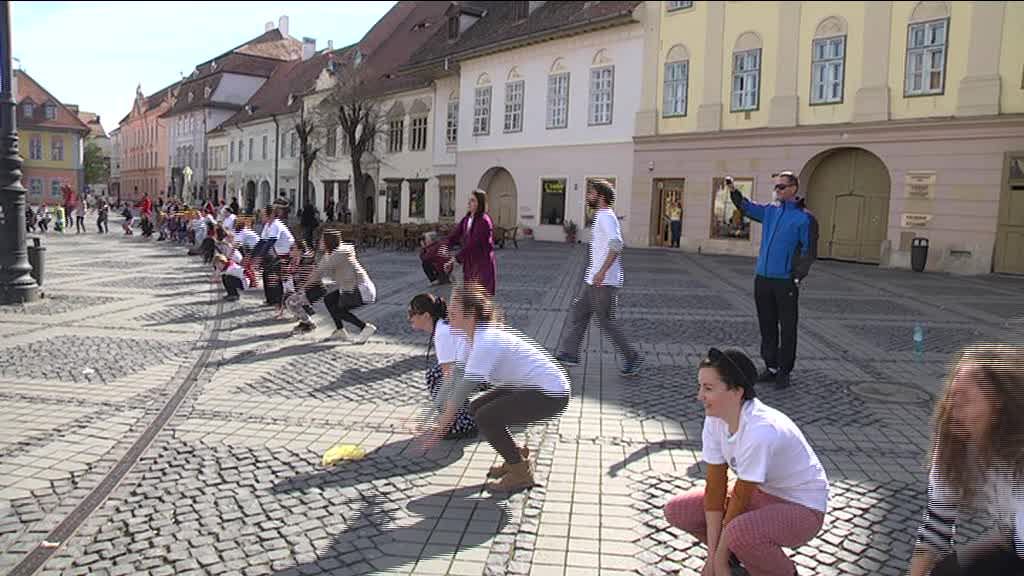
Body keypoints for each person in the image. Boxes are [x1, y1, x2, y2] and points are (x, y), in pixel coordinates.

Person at [664, 347, 828, 576]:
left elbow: (741, 496)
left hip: (802, 507)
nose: (699, 396)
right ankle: (734, 565)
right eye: (700, 386)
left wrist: (717, 560)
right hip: (759, 494)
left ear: (737, 392)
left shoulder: (761, 430)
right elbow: (715, 486)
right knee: (678, 510)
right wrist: (713, 559)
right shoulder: (716, 417)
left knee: (739, 532)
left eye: (708, 388)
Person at [417, 283, 570, 492]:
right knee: (477, 408)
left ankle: (520, 474)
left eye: (453, 313)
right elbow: (452, 379)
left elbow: (461, 390)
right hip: (527, 386)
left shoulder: (485, 341)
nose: (447, 317)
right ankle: (516, 456)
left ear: (470, 315)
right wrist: (428, 418)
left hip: (551, 394)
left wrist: (440, 427)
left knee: (487, 416)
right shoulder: (468, 338)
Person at [909, 344, 1024, 576]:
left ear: (1000, 406)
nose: (952, 409)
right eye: (952, 395)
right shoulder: (954, 438)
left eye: (966, 400)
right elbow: (936, 525)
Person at [728, 171, 818, 390]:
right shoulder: (769, 211)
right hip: (763, 279)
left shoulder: (805, 218)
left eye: (781, 187)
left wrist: (796, 277)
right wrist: (733, 190)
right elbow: (746, 207)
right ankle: (771, 367)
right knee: (767, 325)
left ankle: (784, 371)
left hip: (785, 281)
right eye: (775, 187)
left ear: (793, 188)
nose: (777, 191)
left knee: (787, 327)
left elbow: (809, 251)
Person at [556, 178, 643, 376]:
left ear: (601, 197)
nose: (588, 196)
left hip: (603, 282)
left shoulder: (606, 217)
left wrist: (602, 271)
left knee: (606, 321)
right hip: (594, 281)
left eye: (591, 193)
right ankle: (569, 353)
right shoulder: (602, 216)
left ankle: (633, 358)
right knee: (579, 312)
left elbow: (616, 244)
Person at [407, 293, 478, 440]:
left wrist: (444, 419)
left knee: (435, 377)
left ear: (426, 316)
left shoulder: (443, 333)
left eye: (412, 313)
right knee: (439, 374)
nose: (409, 318)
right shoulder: (443, 326)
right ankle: (462, 417)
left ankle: (460, 425)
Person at [298, 230, 376, 343]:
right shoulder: (332, 253)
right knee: (329, 300)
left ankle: (365, 328)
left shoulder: (337, 255)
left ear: (328, 242)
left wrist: (303, 288)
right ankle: (340, 330)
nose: (319, 242)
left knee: (338, 310)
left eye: (321, 240)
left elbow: (317, 274)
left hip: (360, 290)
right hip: (352, 288)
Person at [443, 189, 497, 296]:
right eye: (469, 200)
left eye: (473, 200)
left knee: (480, 301)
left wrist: (455, 260)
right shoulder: (467, 219)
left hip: (481, 266)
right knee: (470, 302)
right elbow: (454, 236)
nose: (469, 203)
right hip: (469, 266)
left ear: (480, 203)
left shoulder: (484, 221)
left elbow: (473, 245)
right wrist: (440, 246)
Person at [255, 202, 295, 306]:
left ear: (271, 215)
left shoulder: (276, 225)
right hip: (278, 253)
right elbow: (262, 242)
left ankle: (279, 300)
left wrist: (259, 257)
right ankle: (271, 299)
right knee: (267, 273)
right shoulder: (268, 225)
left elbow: (270, 242)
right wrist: (252, 254)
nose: (260, 217)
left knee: (276, 276)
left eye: (263, 215)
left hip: (287, 253)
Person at [284, 240, 327, 335]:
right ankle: (306, 322)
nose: (289, 251)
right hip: (304, 289)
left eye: (292, 249)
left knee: (293, 303)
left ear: (299, 251)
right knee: (291, 302)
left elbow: (311, 278)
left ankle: (308, 324)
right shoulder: (295, 261)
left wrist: (302, 292)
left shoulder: (306, 262)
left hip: (314, 289)